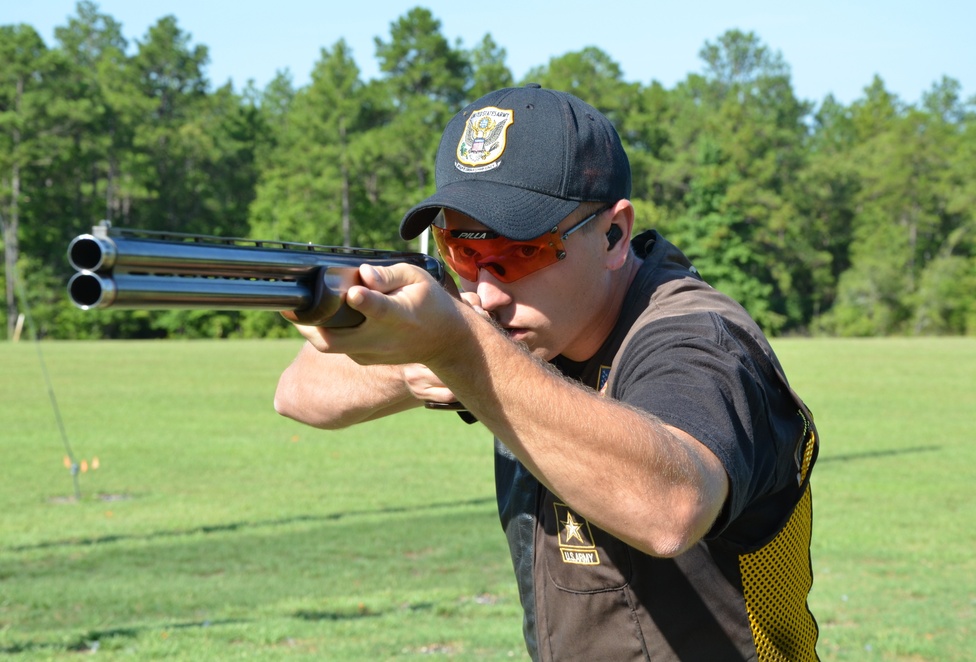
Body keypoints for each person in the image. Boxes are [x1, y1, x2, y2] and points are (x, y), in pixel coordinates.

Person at [274, 83, 820, 661]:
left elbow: (672, 508)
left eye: (521, 252)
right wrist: (420, 359)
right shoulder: (516, 334)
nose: (485, 289)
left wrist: (462, 352)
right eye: (460, 250)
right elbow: (300, 393)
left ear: (614, 234)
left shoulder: (698, 338)